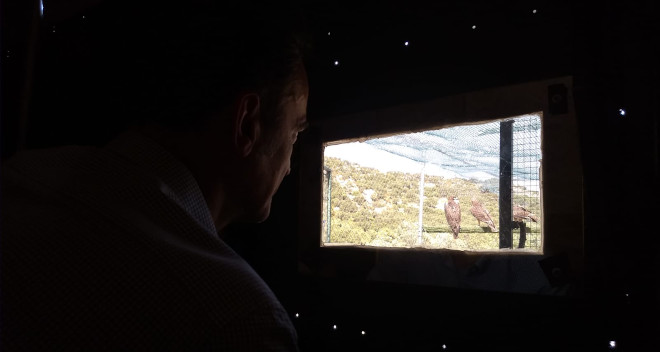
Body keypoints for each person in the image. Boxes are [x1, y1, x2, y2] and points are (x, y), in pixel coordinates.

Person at [1, 1, 309, 350]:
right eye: (295, 133)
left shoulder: (21, 175)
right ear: (247, 125)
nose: (289, 164)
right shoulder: (240, 323)